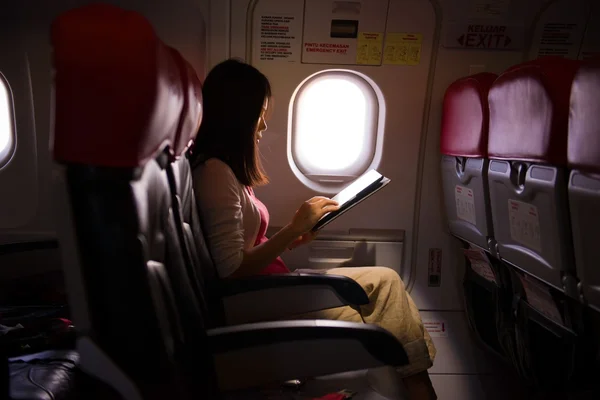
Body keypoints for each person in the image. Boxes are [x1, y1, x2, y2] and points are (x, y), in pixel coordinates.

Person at [190, 58, 437, 400]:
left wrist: (294, 237)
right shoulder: (215, 174)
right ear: (238, 114)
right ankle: (419, 388)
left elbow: (240, 246)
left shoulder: (225, 171)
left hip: (266, 291)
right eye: (260, 111)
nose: (263, 124)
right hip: (253, 301)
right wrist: (291, 229)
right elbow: (230, 267)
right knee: (384, 303)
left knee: (388, 281)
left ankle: (415, 385)